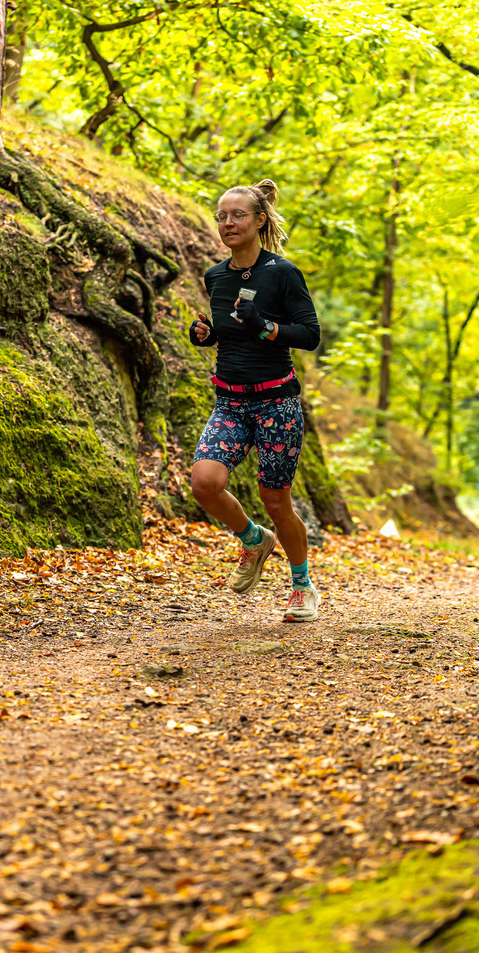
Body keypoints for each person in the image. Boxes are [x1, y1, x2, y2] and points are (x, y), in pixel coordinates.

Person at [189, 179, 321, 622]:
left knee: (276, 499)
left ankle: (302, 587)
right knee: (205, 483)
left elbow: (310, 335)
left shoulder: (282, 273)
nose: (227, 223)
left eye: (237, 215)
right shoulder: (216, 276)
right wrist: (206, 336)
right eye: (222, 216)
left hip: (275, 402)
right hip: (230, 401)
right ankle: (252, 539)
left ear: (259, 220)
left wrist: (266, 325)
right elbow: (229, 333)